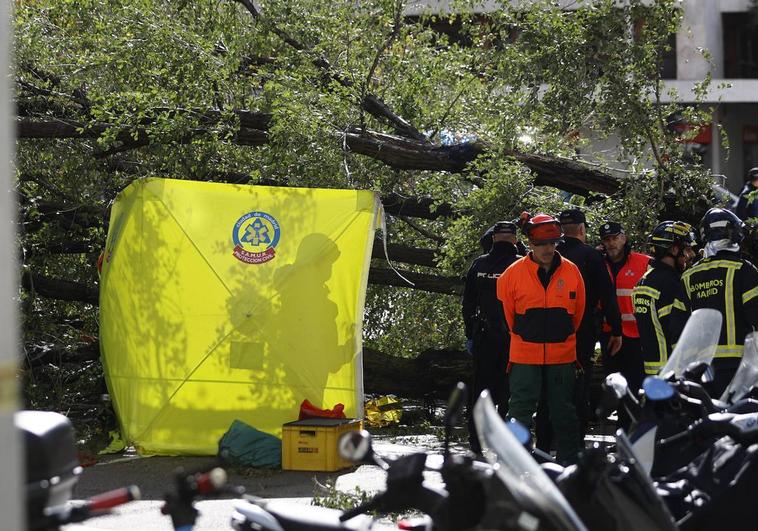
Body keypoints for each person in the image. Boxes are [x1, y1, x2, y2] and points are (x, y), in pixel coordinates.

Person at [497, 213, 585, 464]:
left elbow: (578, 313)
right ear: (531, 244)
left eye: (552, 243)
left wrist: (562, 336)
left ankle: (570, 463)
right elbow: (508, 316)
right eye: (542, 244)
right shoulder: (512, 274)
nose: (548, 249)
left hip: (562, 354)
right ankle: (514, 463)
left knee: (564, 412)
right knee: (519, 411)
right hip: (524, 354)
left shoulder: (572, 272)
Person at [535, 209, 622, 450]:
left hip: (544, 333)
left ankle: (543, 444)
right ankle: (573, 447)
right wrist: (616, 330)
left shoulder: (545, 252)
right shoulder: (591, 257)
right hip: (581, 333)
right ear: (583, 230)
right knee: (577, 390)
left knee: (546, 388)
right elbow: (607, 294)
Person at [681, 208, 758, 396]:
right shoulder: (743, 270)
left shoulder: (688, 276)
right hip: (738, 366)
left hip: (698, 368)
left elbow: (678, 325)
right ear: (731, 232)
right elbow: (755, 315)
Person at [462, 221, 522, 454]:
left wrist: (470, 333)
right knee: (509, 390)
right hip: (513, 339)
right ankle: (504, 440)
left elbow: (467, 304)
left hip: (484, 337)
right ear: (515, 240)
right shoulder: (522, 265)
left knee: (481, 390)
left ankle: (476, 440)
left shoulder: (480, 264)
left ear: (494, 239)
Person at [599, 221, 650, 430]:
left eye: (614, 238)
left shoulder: (644, 262)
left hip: (637, 336)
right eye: (607, 239)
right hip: (609, 334)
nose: (611, 243)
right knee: (616, 387)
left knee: (636, 386)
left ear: (624, 237)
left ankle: (637, 433)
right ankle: (623, 433)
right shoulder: (598, 263)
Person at [633, 221, 696, 376]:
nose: (691, 255)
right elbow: (675, 328)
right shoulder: (670, 282)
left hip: (652, 367)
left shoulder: (644, 279)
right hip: (672, 369)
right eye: (687, 249)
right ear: (674, 249)